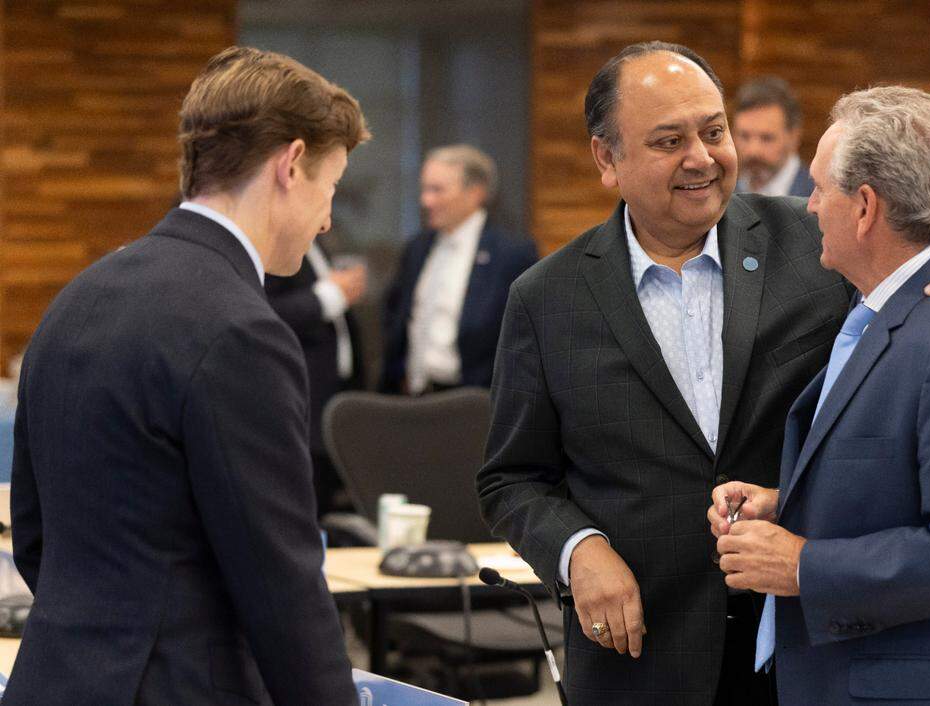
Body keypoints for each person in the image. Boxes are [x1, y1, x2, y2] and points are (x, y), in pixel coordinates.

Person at [476, 41, 930, 706]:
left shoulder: (818, 242)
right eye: (669, 140)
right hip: (641, 660)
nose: (701, 157)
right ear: (607, 159)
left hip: (813, 651)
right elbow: (511, 477)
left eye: (713, 130)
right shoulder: (547, 298)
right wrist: (578, 551)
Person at [7, 46, 370, 706]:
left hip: (51, 680)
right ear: (290, 165)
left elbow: (35, 535)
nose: (326, 217)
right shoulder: (242, 330)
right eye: (331, 187)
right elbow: (280, 583)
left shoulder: (77, 296)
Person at [710, 86, 930, 705]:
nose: (808, 207)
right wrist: (788, 507)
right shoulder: (890, 313)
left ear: (864, 207)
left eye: (818, 188)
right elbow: (903, 487)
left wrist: (804, 564)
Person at [380, 144, 538, 394]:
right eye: (424, 189)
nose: (426, 200)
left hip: (474, 402)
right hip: (413, 396)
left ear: (475, 193)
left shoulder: (511, 254)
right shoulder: (417, 247)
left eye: (437, 190)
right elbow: (396, 312)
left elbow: (525, 337)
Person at [266, 242, 366, 517]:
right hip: (294, 404)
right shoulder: (272, 245)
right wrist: (328, 295)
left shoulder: (313, 241)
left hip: (331, 400)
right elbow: (260, 313)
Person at [733, 76, 813, 197]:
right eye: (744, 137)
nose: (753, 150)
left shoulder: (815, 197)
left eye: (766, 138)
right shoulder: (723, 196)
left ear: (794, 138)